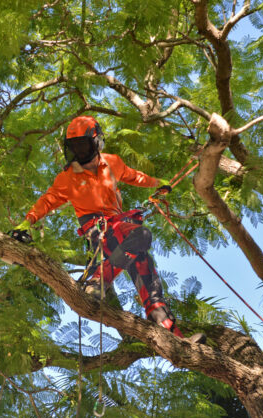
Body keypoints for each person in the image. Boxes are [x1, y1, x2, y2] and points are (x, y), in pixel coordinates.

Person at [12, 115, 203, 343]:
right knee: (140, 236)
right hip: (97, 230)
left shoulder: (113, 162)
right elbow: (47, 201)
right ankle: (97, 281)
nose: (81, 152)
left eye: (84, 145)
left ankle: (172, 334)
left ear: (96, 141)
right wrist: (27, 221)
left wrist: (156, 182)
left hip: (119, 225)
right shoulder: (67, 178)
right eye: (76, 147)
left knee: (143, 262)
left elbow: (133, 176)